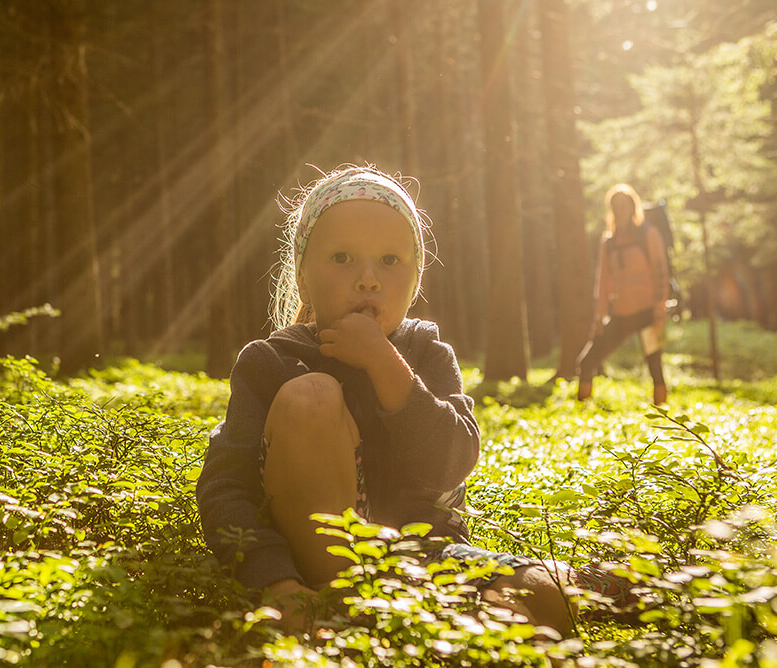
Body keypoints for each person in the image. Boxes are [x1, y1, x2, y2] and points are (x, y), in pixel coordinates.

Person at [195, 166, 578, 637]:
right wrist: (274, 583)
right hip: (307, 568)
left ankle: (422, 626)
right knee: (311, 395)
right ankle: (341, 612)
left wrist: (388, 366)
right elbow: (225, 489)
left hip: (423, 559)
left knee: (545, 590)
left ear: (415, 279)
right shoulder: (270, 363)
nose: (368, 279)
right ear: (303, 276)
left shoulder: (428, 355)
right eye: (341, 257)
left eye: (390, 261)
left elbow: (450, 465)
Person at [576, 184, 669, 405]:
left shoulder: (650, 235)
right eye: (615, 205)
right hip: (620, 314)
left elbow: (661, 271)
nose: (620, 209)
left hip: (649, 312)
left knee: (655, 365)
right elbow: (602, 283)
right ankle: (581, 415)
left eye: (624, 205)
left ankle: (665, 416)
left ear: (633, 206)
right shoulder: (608, 242)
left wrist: (660, 308)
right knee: (587, 361)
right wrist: (598, 318)